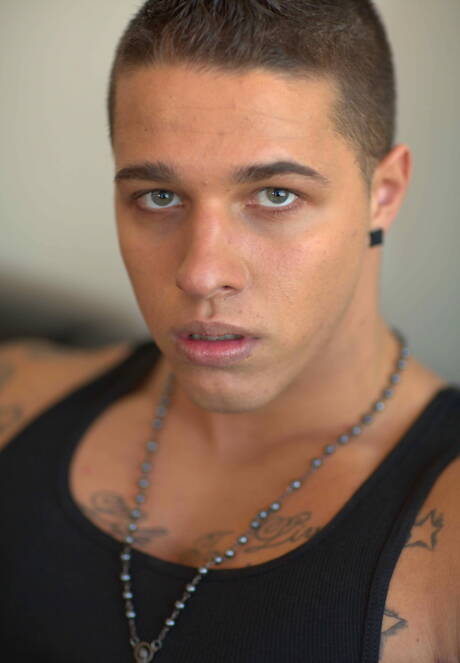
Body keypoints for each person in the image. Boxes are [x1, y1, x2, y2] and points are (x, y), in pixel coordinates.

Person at [0, 1, 459, 661]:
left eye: (275, 195)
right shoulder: (18, 398)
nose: (201, 273)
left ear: (382, 193)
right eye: (159, 196)